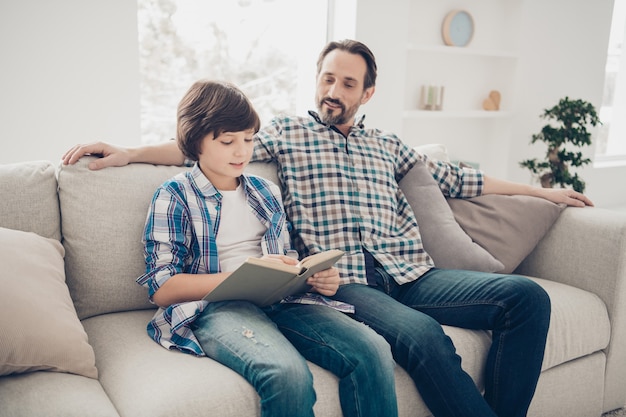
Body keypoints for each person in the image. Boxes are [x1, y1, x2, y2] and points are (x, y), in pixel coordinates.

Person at [63, 40, 594, 417]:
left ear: (368, 93)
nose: (332, 89)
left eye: (347, 82)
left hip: (408, 272)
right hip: (349, 283)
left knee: (528, 299)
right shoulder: (285, 135)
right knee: (421, 337)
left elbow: (461, 178)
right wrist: (130, 152)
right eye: (326, 77)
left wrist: (543, 191)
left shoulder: (385, 146)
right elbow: (205, 142)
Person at [136, 79, 397, 417]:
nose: (242, 151)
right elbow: (162, 287)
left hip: (281, 300)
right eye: (228, 141)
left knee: (373, 350)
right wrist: (240, 277)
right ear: (194, 141)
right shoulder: (174, 196)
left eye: (248, 139)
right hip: (218, 306)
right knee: (287, 374)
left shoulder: (265, 192)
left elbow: (284, 260)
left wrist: (312, 277)